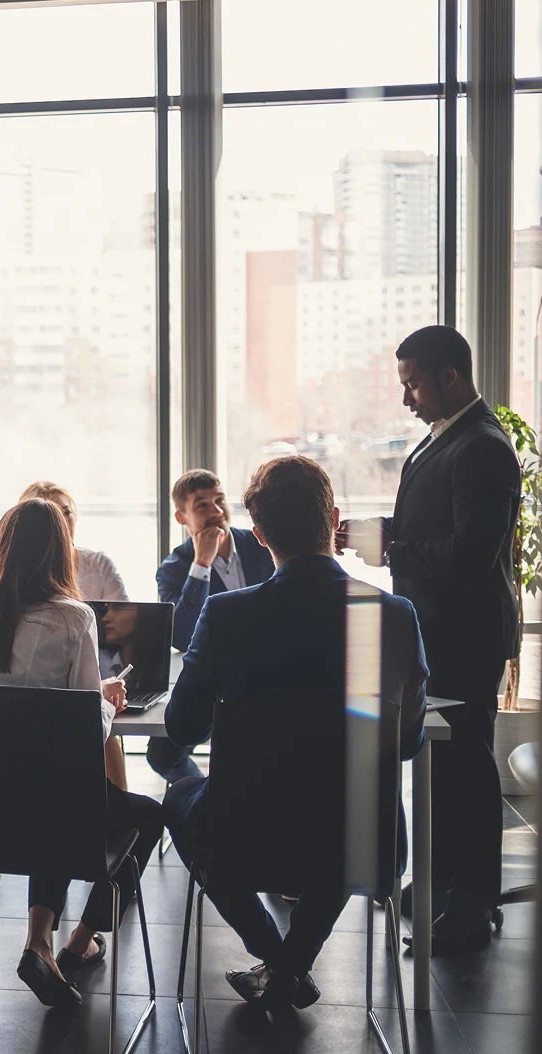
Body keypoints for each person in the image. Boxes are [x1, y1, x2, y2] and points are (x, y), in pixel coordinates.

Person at [163, 457, 428, 1014]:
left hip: (247, 834)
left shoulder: (228, 616)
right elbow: (406, 743)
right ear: (333, 518)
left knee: (180, 798)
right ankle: (293, 962)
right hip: (365, 841)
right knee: (345, 811)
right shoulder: (392, 614)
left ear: (259, 535)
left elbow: (180, 727)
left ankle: (276, 956)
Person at [337, 325, 519, 954]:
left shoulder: (483, 447)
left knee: (467, 769)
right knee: (444, 766)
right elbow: (430, 523)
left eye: (413, 383)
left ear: (450, 376)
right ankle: (445, 884)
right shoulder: (446, 438)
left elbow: (472, 553)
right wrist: (375, 533)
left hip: (465, 637)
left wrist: (394, 551)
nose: (406, 397)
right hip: (438, 630)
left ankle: (472, 906)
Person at [0, 498, 163, 1008]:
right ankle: (80, 939)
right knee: (143, 816)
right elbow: (87, 730)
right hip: (56, 810)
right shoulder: (73, 617)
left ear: (2, 546)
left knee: (55, 795)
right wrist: (106, 700)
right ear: (60, 552)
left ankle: (39, 943)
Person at [148, 470, 275, 785]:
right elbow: (181, 637)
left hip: (269, 672)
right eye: (202, 505)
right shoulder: (173, 569)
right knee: (163, 754)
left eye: (220, 501)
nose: (216, 511)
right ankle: (208, 794)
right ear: (181, 517)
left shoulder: (262, 544)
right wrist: (201, 565)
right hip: (212, 679)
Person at [19, 480, 130, 788]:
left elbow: (124, 620)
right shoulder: (74, 613)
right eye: (52, 516)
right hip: (54, 684)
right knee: (97, 721)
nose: (62, 522)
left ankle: (113, 800)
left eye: (66, 512)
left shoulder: (97, 563)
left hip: (101, 668)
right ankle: (110, 805)